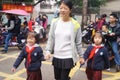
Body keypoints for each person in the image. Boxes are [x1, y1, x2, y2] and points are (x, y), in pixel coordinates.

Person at [45, 0, 84, 80]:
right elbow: (51, 38)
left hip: (68, 56)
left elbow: (78, 42)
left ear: (70, 10)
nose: (62, 10)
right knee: (57, 78)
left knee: (63, 78)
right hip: (57, 56)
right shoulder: (54, 22)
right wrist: (48, 51)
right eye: (61, 8)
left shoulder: (76, 25)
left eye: (65, 8)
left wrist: (81, 56)